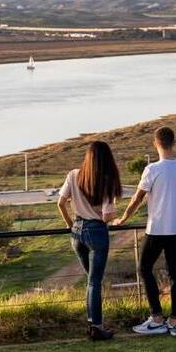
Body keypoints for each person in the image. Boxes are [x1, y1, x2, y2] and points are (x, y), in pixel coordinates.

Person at [113, 126, 176, 337]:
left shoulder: (152, 169)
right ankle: (175, 321)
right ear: (173, 143)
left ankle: (157, 318)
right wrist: (175, 209)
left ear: (155, 144)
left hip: (156, 229)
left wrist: (124, 218)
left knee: (145, 268)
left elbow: (137, 198)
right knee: (175, 274)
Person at [57, 141, 122, 341]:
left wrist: (71, 225)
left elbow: (60, 203)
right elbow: (106, 216)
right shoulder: (106, 180)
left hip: (77, 232)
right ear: (107, 159)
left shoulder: (73, 175)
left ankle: (92, 323)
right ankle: (96, 327)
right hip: (96, 233)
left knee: (90, 281)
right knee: (94, 281)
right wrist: (116, 216)